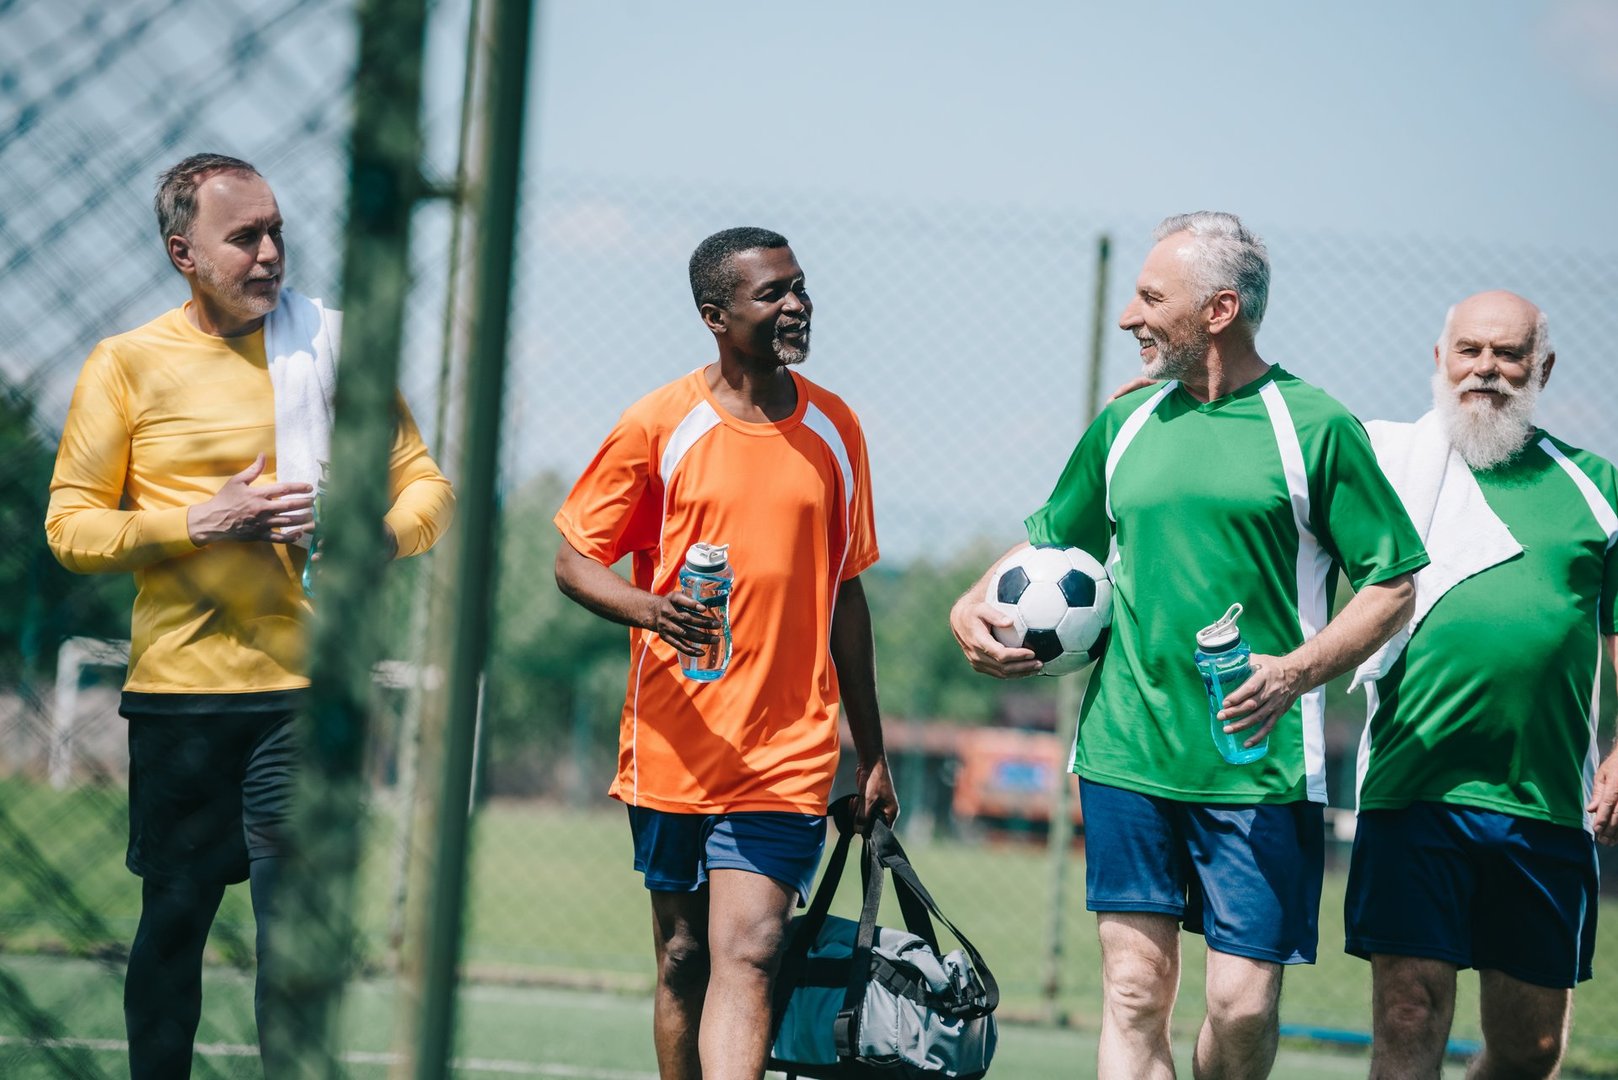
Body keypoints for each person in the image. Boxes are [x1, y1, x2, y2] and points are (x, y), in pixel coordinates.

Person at [949, 211, 1428, 1080]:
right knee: (1134, 992)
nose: (1131, 317)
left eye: (1149, 297)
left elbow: (1393, 584)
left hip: (1259, 764)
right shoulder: (1124, 424)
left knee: (1240, 1010)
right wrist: (968, 601)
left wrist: (1294, 672)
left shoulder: (1313, 426)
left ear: (1219, 309)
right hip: (1127, 749)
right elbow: (1052, 543)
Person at [44, 153, 454, 1078]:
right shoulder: (126, 363)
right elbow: (70, 526)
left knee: (294, 938)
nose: (271, 254)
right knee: (174, 925)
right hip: (182, 699)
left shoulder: (332, 346)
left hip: (307, 695)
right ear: (183, 251)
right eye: (245, 238)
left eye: (277, 231)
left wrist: (376, 538)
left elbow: (426, 486)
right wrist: (200, 518)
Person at [552, 226, 898, 1080]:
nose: (796, 305)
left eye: (800, 287)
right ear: (716, 315)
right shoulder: (658, 424)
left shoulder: (837, 428)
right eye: (771, 294)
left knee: (751, 950)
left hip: (787, 749)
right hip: (675, 743)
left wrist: (875, 752)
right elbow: (571, 561)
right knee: (683, 956)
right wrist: (652, 612)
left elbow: (846, 597)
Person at [1346, 290, 1618, 1080]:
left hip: (1542, 807)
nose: (1486, 370)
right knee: (1407, 1015)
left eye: (1508, 354)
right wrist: (1185, 398)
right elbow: (1276, 446)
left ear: (1542, 368)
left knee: (1531, 1050)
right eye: (1469, 350)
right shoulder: (1383, 462)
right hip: (1411, 790)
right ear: (1440, 359)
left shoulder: (1597, 488)